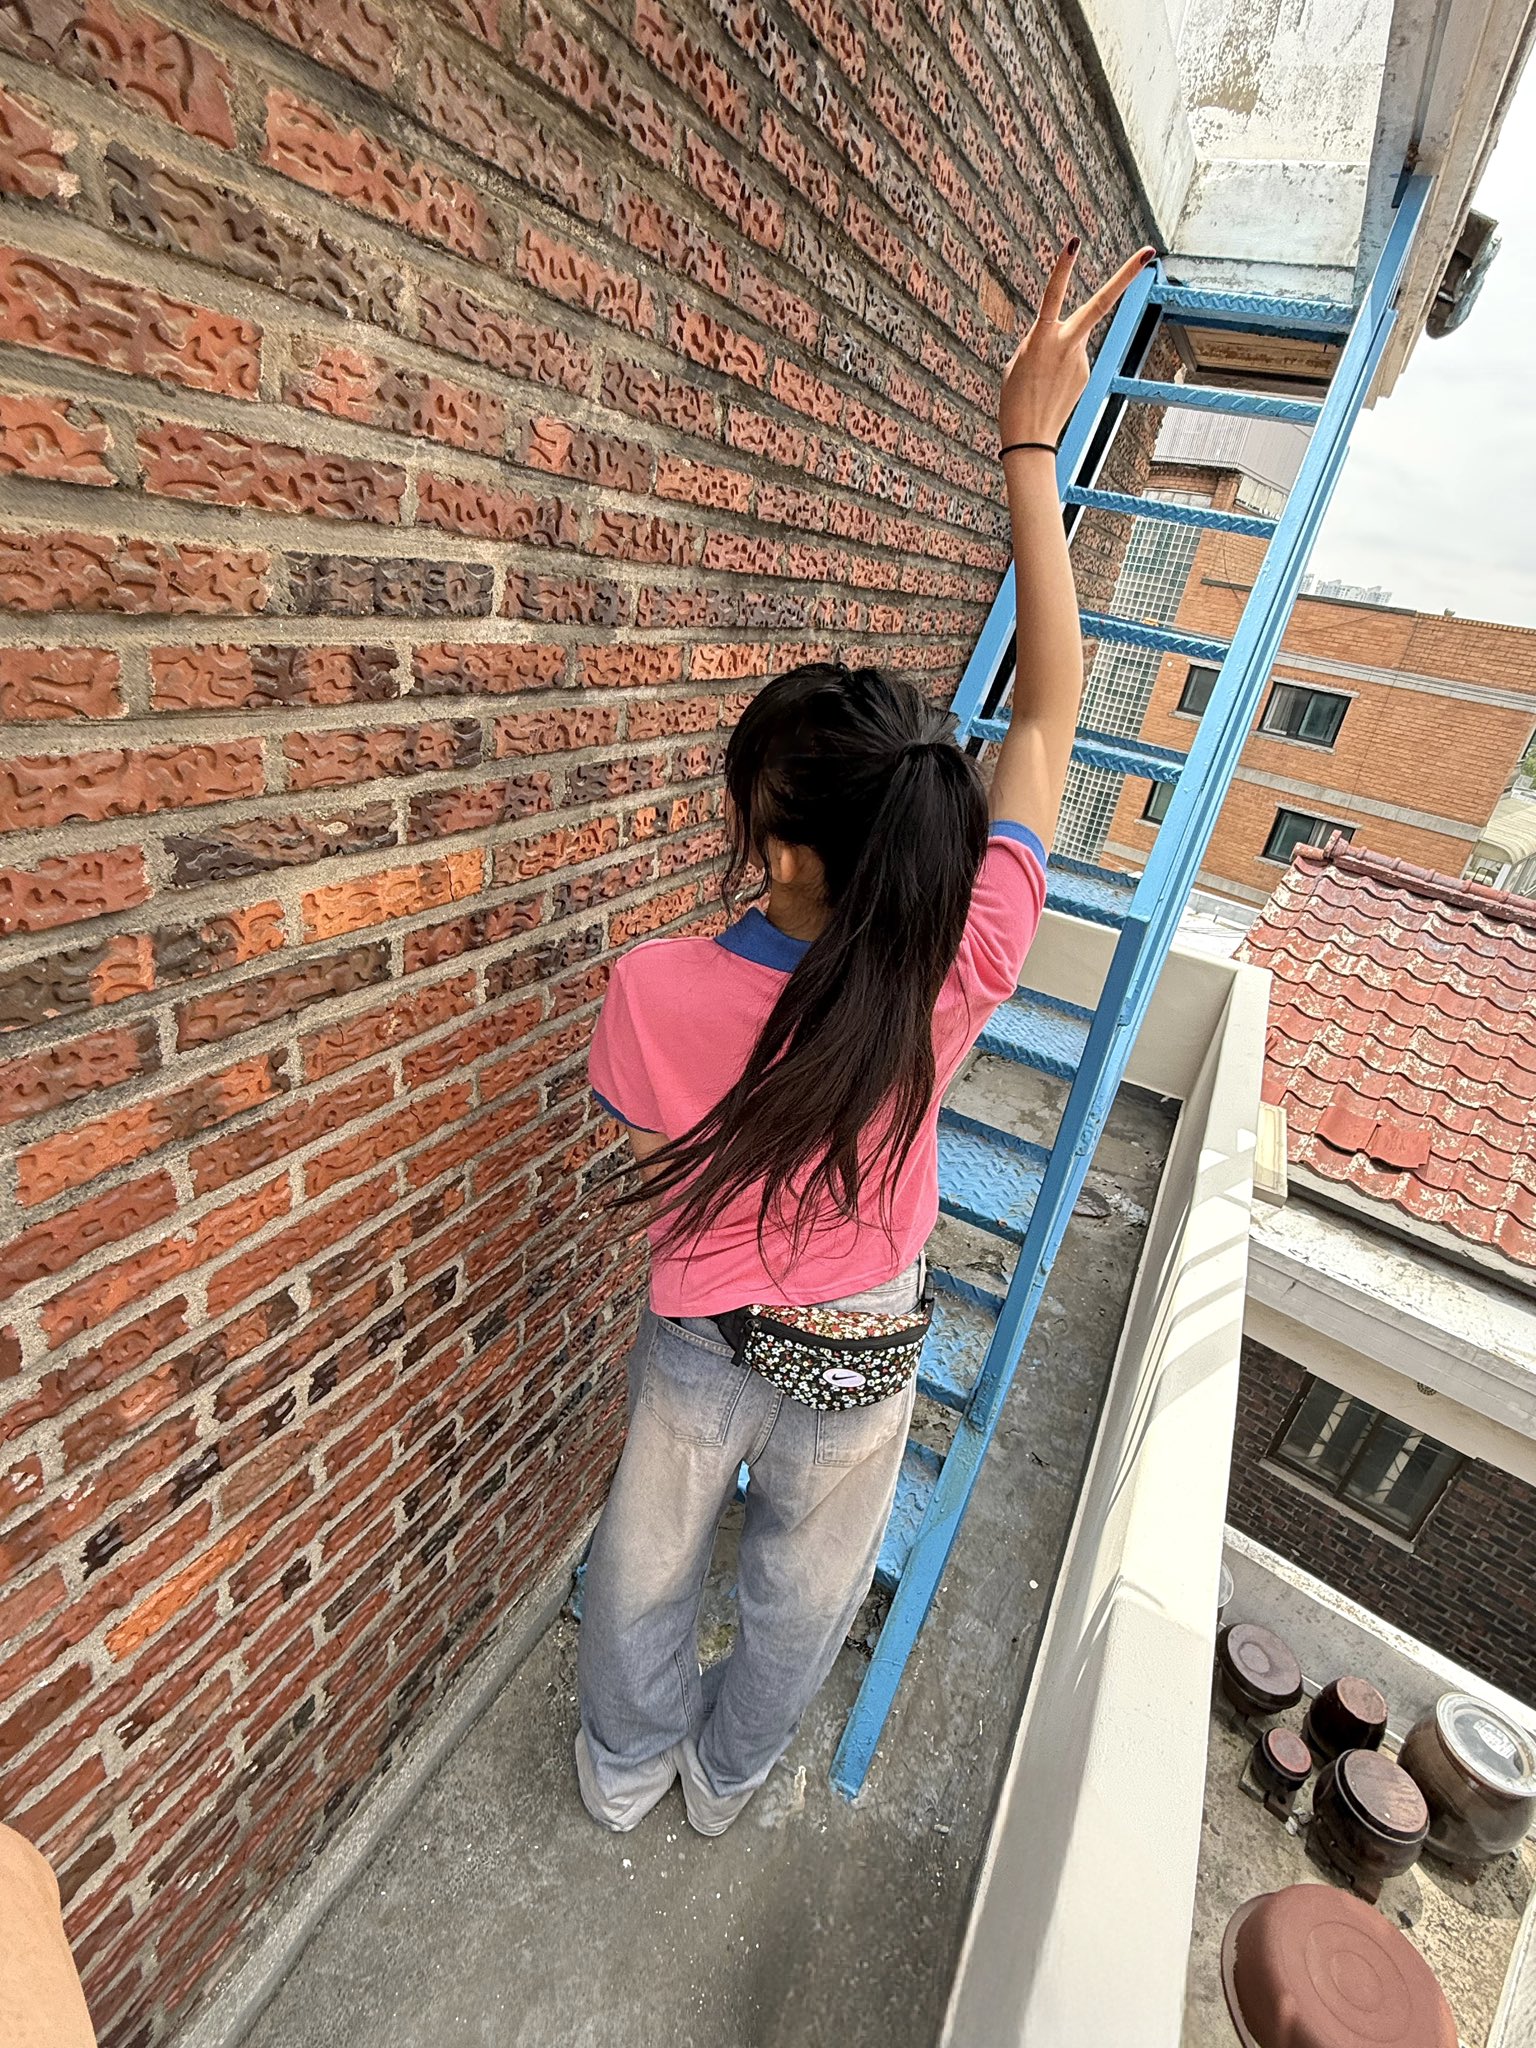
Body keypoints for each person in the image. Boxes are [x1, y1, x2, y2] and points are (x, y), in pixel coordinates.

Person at [575, 236, 1156, 1835]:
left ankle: (624, 1768)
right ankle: (724, 1783)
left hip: (707, 1332)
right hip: (866, 1344)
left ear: (774, 842)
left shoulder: (657, 989)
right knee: (801, 1598)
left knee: (643, 1566)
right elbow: (1051, 715)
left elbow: (655, 1121)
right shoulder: (964, 958)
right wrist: (1031, 447)